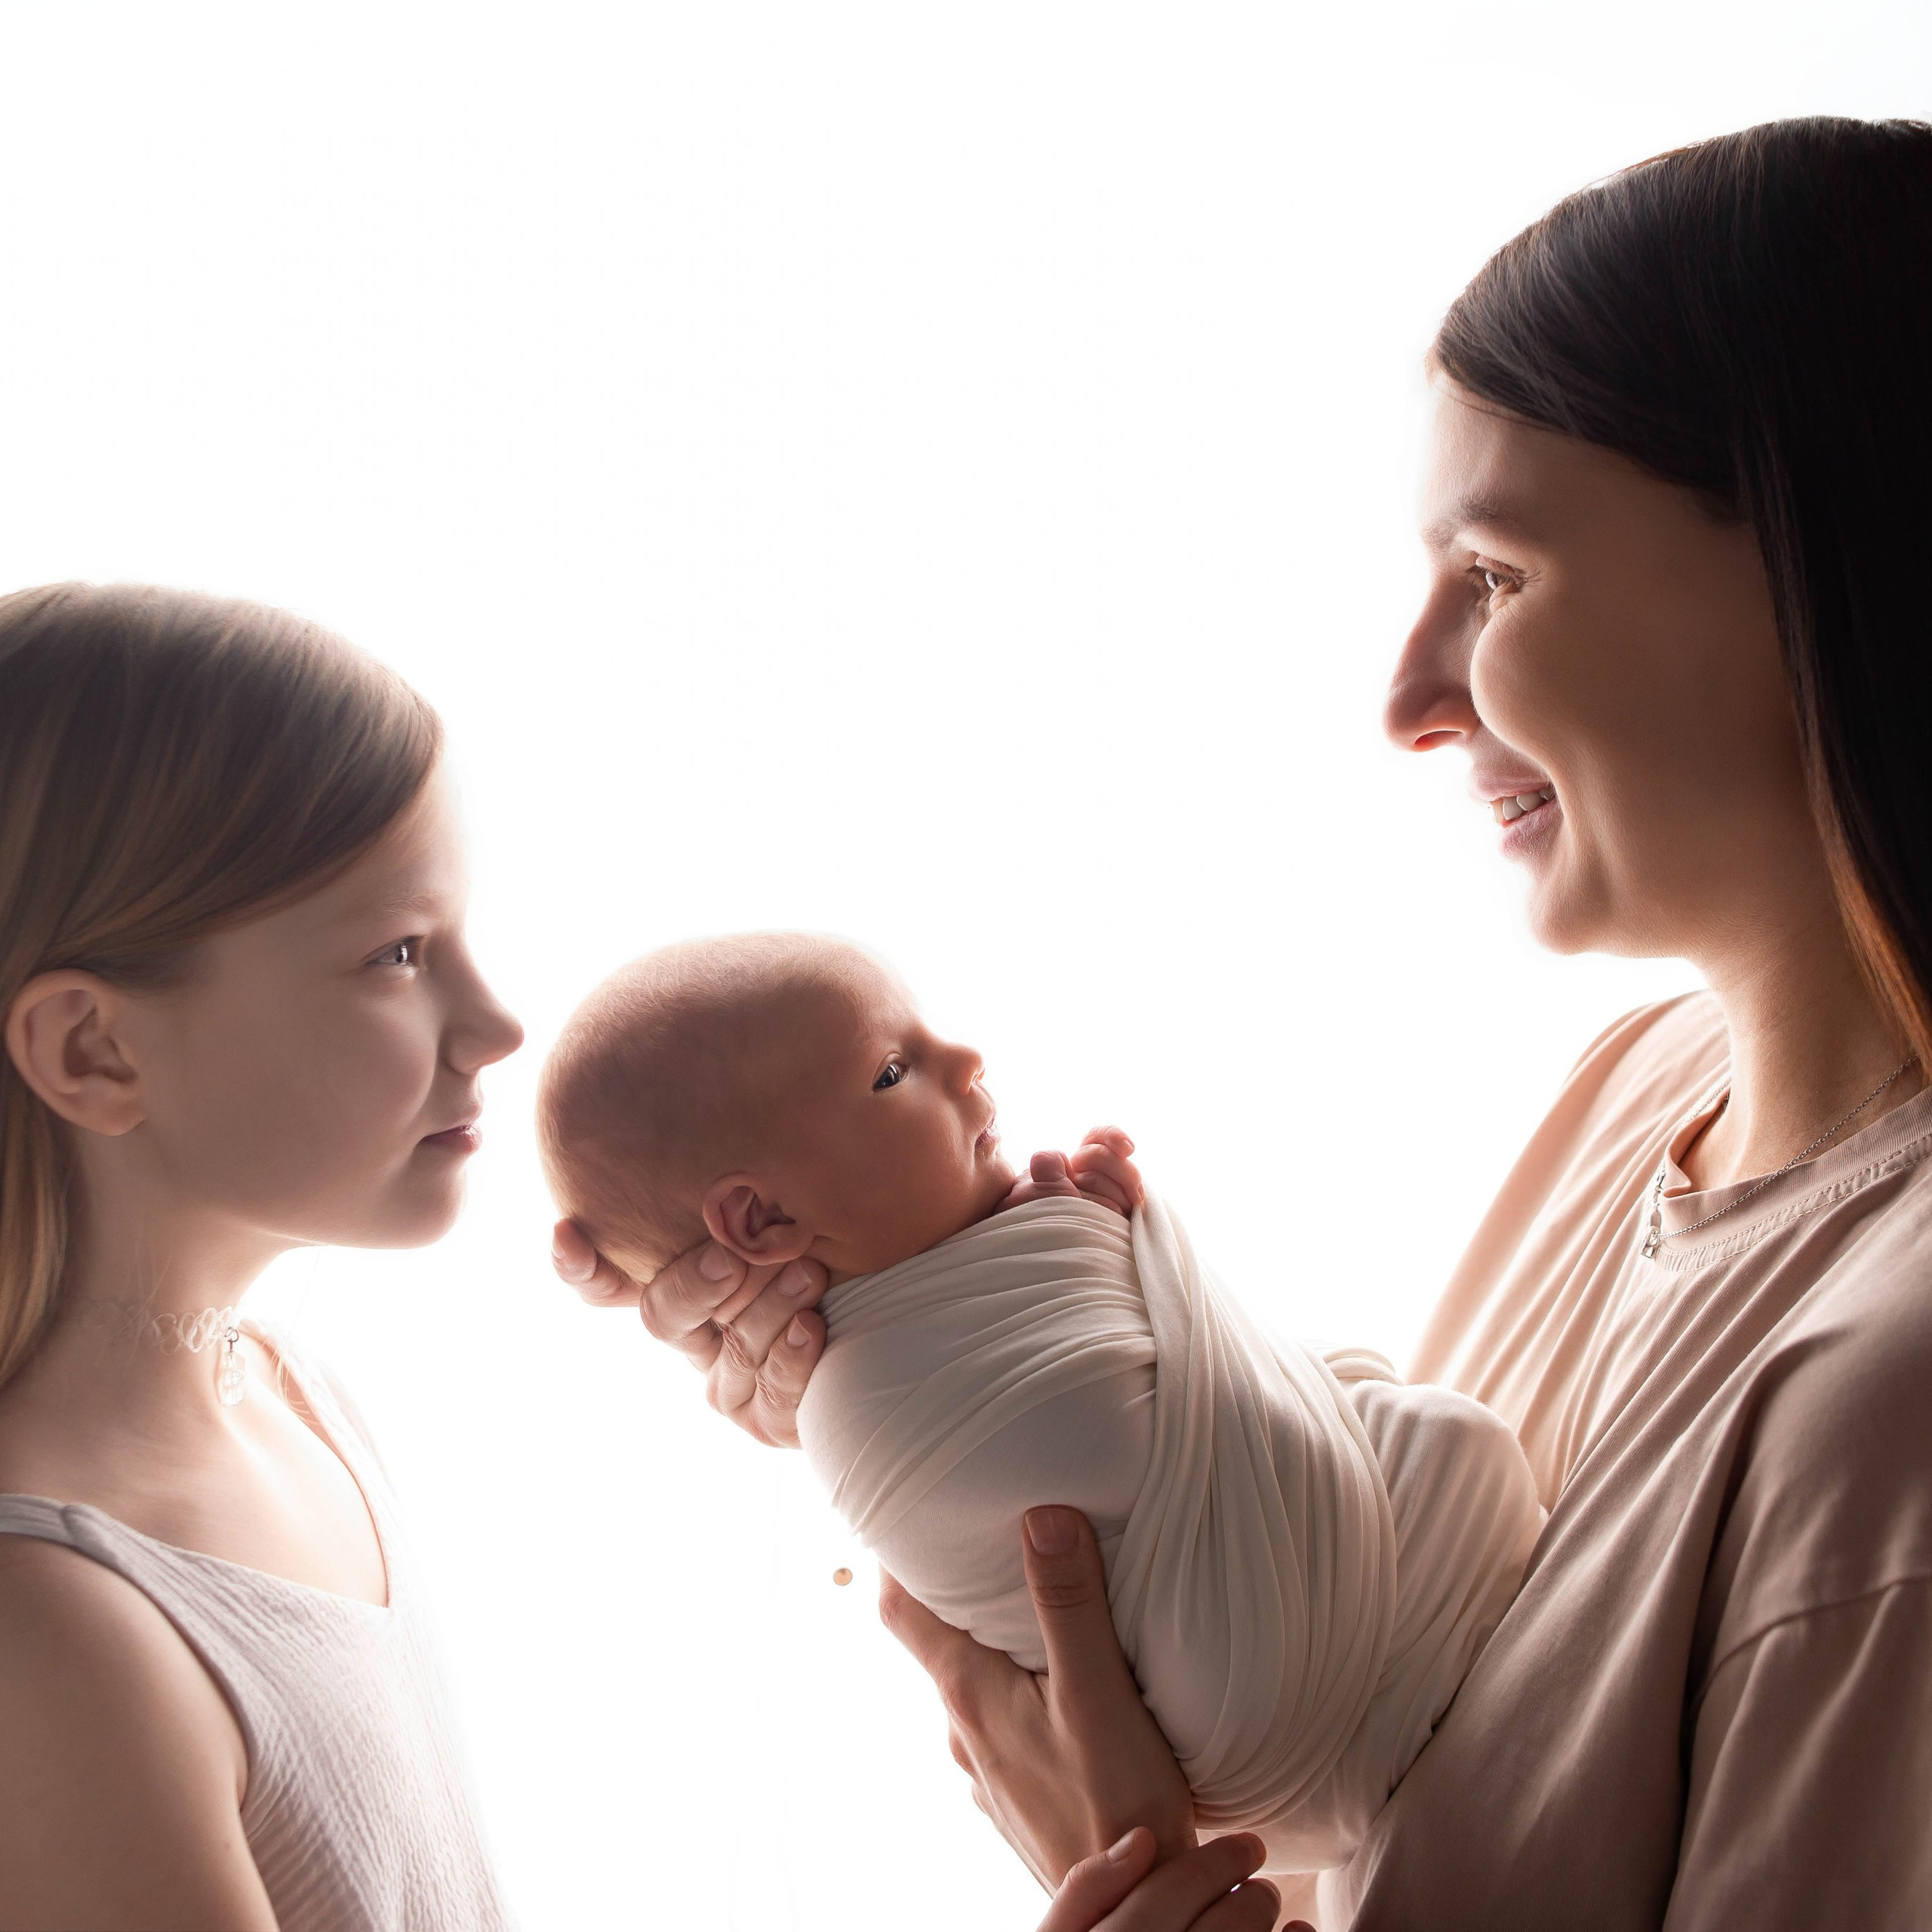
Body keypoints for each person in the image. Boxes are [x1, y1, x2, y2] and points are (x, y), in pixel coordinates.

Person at [555, 115, 1932, 1927]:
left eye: (1495, 576)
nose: (1408, 696)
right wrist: (923, 1384)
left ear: (1844, 559)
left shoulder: (1892, 1403)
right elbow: (1355, 1704)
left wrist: (1122, 1858)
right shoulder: (1638, 1089)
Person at [540, 932, 1540, 1877]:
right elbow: (1088, 1435)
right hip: (1262, 1701)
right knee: (1452, 1447)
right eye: (893, 1070)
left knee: (1421, 1439)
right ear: (761, 1219)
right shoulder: (857, 1405)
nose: (965, 1060)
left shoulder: (982, 1270)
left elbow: (1183, 1373)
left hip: (1279, 1745)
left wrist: (1113, 1232)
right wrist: (1097, 1242)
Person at [0, 584, 525, 1928]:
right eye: (398, 953)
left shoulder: (294, 1398)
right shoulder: (50, 1631)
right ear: (93, 1050)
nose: (498, 1024)